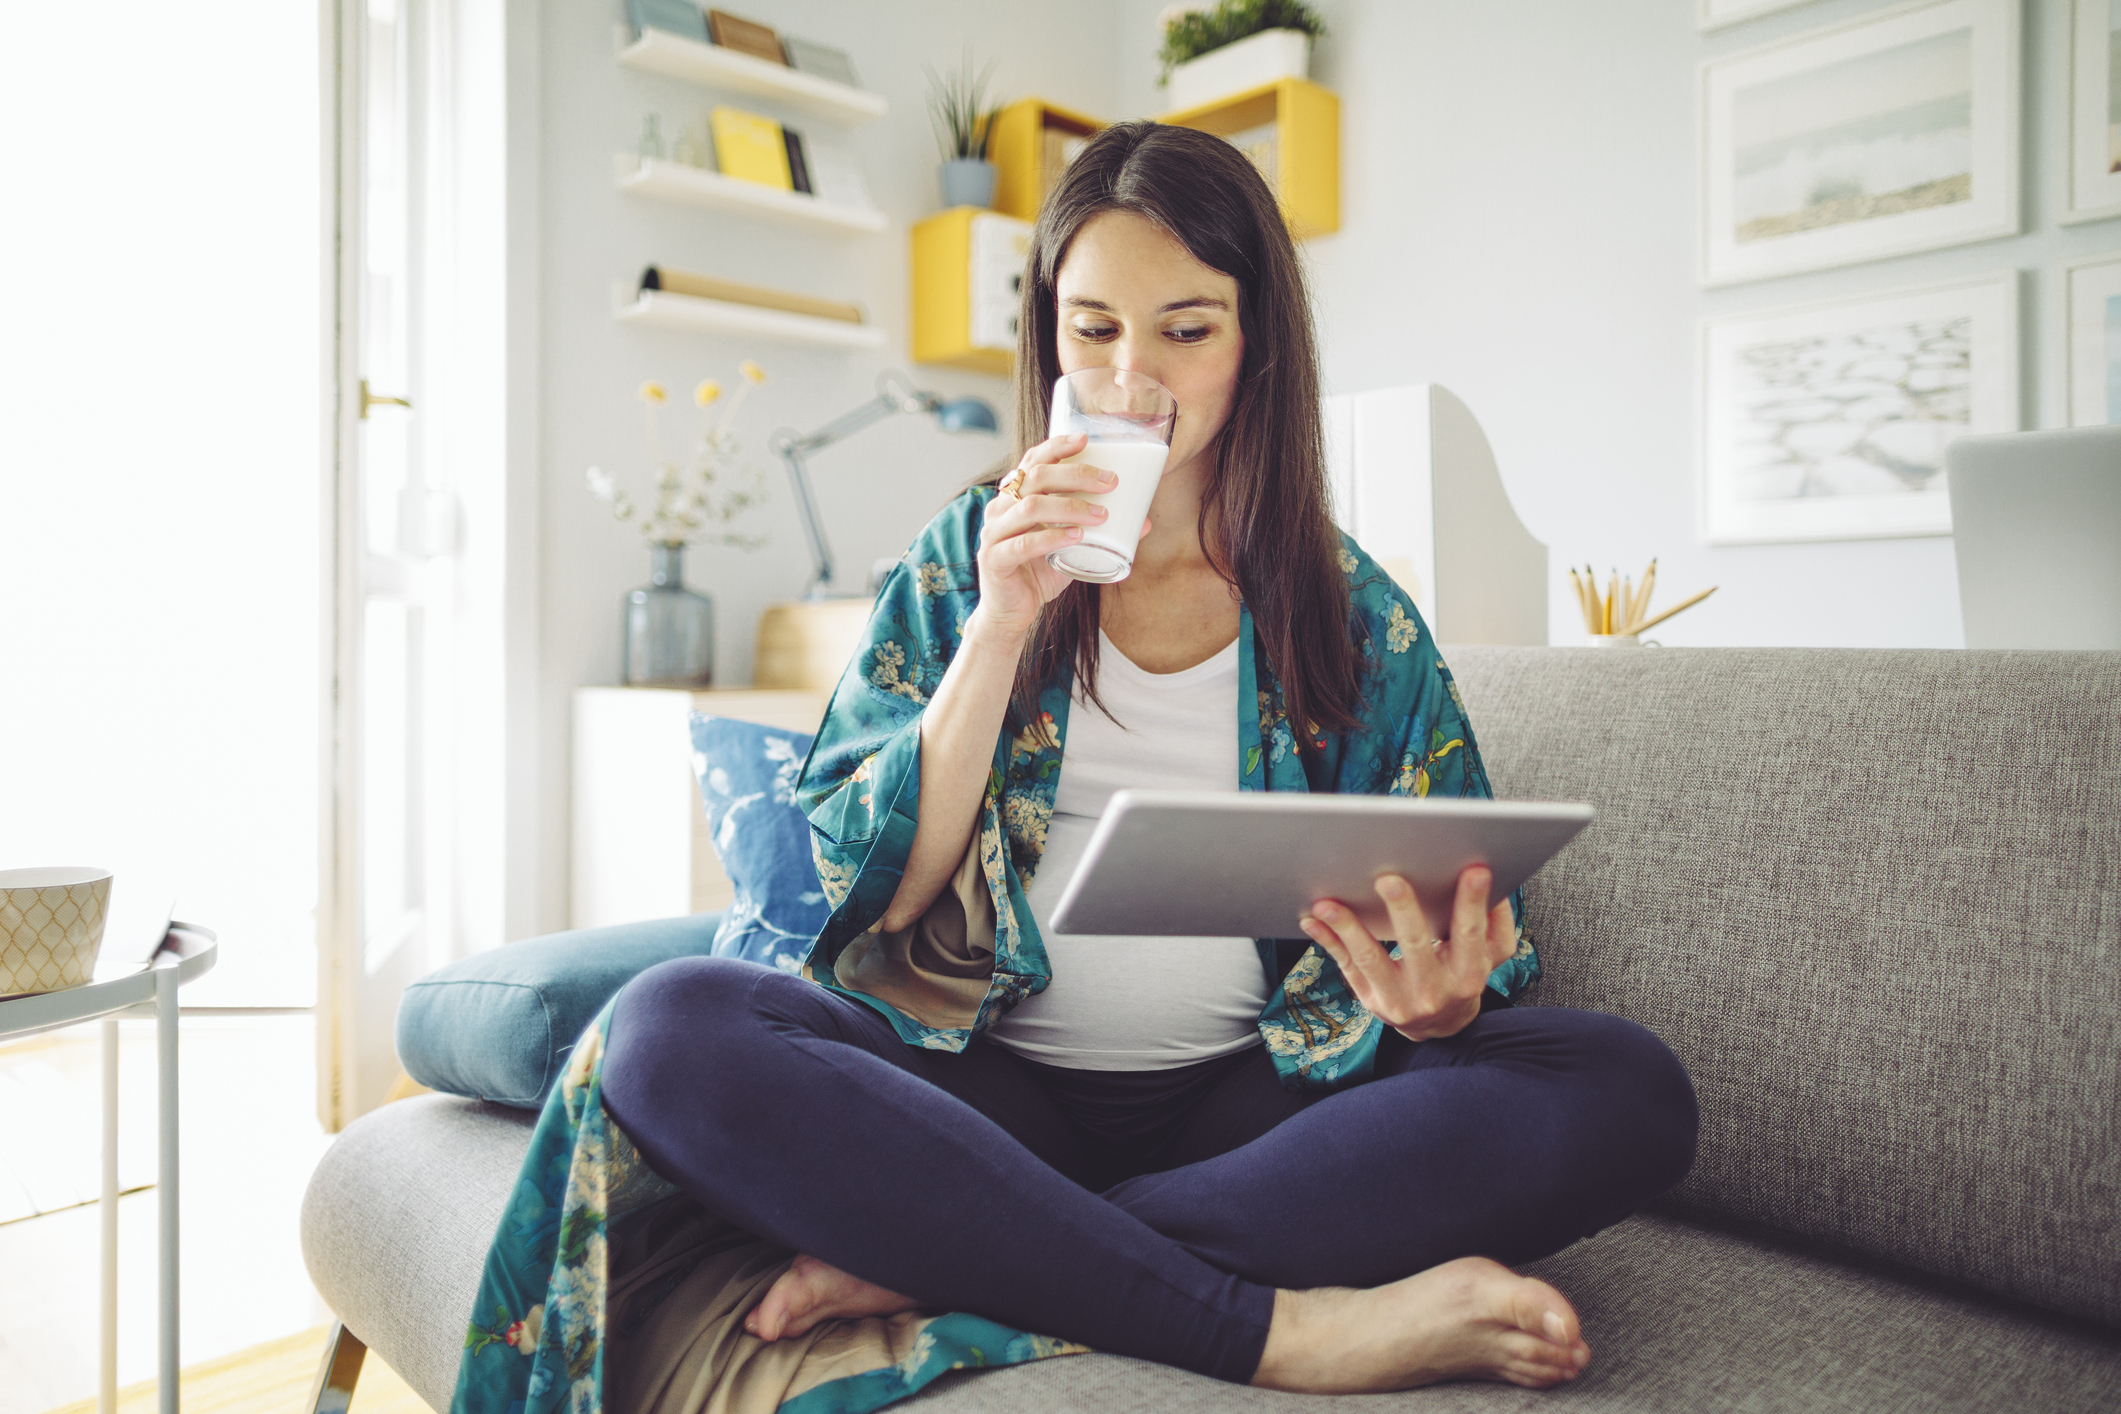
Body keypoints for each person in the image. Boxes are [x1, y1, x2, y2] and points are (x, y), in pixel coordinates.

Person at [600, 121, 1697, 1396]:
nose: (1133, 379)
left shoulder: (1346, 609)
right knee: (670, 1029)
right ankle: (1280, 1327)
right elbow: (874, 893)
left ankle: (972, 1244)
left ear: (1258, 344)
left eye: (1188, 329)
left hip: (1260, 1102)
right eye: (1095, 329)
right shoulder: (965, 556)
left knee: (1625, 1090)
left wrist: (1442, 998)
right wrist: (1004, 621)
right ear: (1050, 339)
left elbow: (1456, 920)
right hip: (981, 1086)